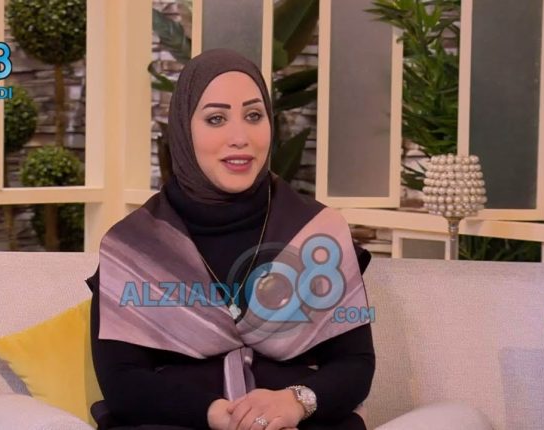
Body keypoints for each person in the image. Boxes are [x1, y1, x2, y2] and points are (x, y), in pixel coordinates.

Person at [86, 48, 375, 430]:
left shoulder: (317, 233)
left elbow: (355, 364)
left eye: (253, 116)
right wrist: (217, 414)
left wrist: (295, 401)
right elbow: (122, 382)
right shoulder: (135, 246)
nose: (240, 137)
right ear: (184, 130)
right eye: (216, 119)